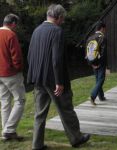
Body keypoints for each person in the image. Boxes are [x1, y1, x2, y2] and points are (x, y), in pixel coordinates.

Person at [27, 4, 90, 150]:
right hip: (53, 79)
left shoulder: (36, 30)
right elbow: (56, 59)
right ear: (59, 17)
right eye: (63, 19)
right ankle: (76, 138)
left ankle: (37, 144)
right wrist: (59, 82)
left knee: (39, 113)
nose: (63, 22)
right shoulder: (57, 31)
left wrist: (33, 75)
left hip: (38, 79)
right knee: (66, 109)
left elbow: (31, 55)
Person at [0, 14, 25, 141]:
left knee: (5, 102)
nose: (17, 27)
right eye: (16, 24)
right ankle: (9, 130)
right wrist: (19, 69)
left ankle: (6, 131)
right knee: (20, 100)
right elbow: (17, 56)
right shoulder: (11, 35)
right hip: (11, 74)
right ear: (13, 23)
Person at [86, 22, 107, 106]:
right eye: (105, 29)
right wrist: (101, 63)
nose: (105, 30)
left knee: (98, 79)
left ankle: (101, 97)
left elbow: (87, 53)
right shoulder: (102, 38)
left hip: (92, 61)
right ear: (102, 28)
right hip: (100, 62)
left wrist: (91, 63)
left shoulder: (90, 38)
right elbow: (103, 53)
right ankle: (92, 96)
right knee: (101, 79)